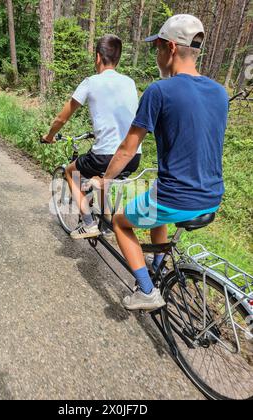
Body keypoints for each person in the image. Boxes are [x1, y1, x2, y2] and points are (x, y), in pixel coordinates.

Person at [91, 15, 230, 312]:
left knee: (119, 221)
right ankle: (157, 266)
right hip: (211, 196)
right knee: (157, 195)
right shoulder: (220, 93)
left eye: (156, 48)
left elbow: (128, 149)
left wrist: (106, 179)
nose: (156, 55)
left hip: (176, 197)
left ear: (170, 47)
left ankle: (146, 290)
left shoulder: (160, 91)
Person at [42, 35, 142, 239]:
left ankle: (88, 224)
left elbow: (61, 118)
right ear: (118, 59)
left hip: (104, 156)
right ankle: (106, 224)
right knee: (105, 178)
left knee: (71, 173)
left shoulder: (91, 82)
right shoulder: (130, 82)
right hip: (132, 157)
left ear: (98, 57)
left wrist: (49, 136)